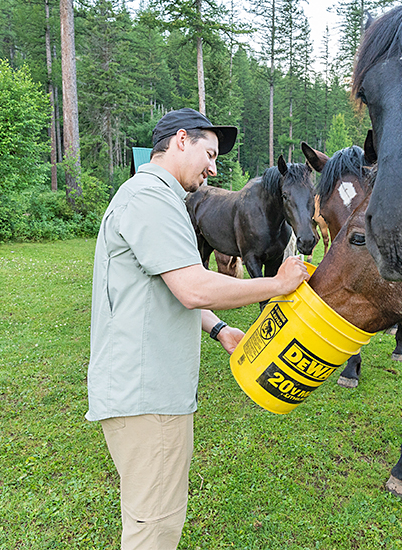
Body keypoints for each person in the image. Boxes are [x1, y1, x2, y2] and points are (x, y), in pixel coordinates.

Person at [88, 108, 309, 549]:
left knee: (147, 515)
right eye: (209, 154)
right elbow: (191, 286)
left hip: (143, 389)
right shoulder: (151, 198)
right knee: (155, 526)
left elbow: (167, 285)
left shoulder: (153, 197)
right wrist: (278, 283)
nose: (213, 168)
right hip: (149, 396)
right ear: (181, 140)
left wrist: (219, 329)